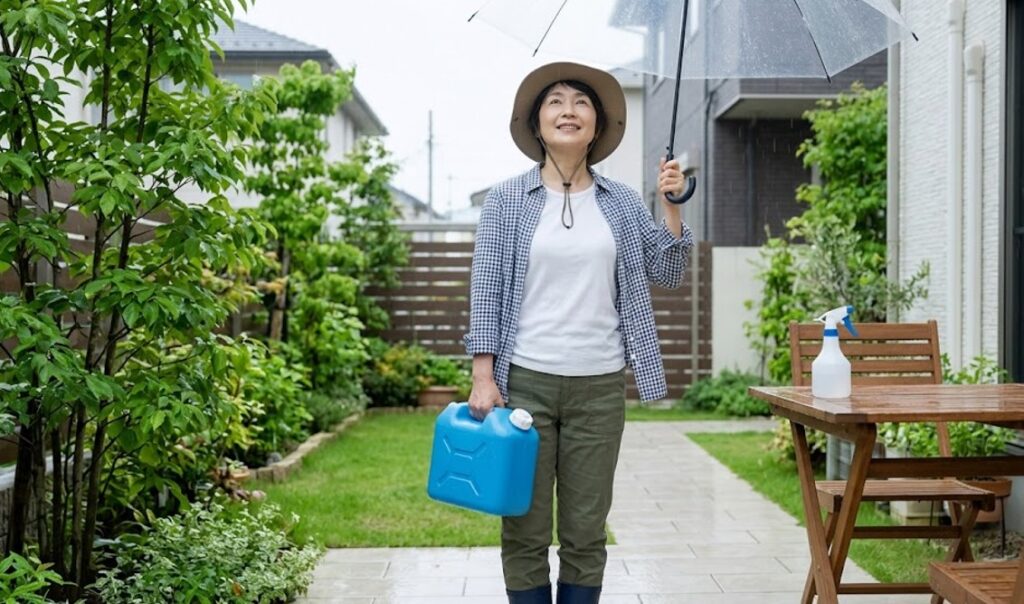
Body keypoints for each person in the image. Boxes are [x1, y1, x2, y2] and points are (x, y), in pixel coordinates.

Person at [463, 62, 694, 604]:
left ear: (597, 127)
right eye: (556, 102)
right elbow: (485, 290)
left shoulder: (621, 203)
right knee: (523, 526)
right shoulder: (505, 202)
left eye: (581, 103)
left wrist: (672, 208)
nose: (569, 111)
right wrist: (482, 374)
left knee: (586, 533)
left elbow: (667, 272)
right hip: (523, 385)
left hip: (598, 389)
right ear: (536, 123)